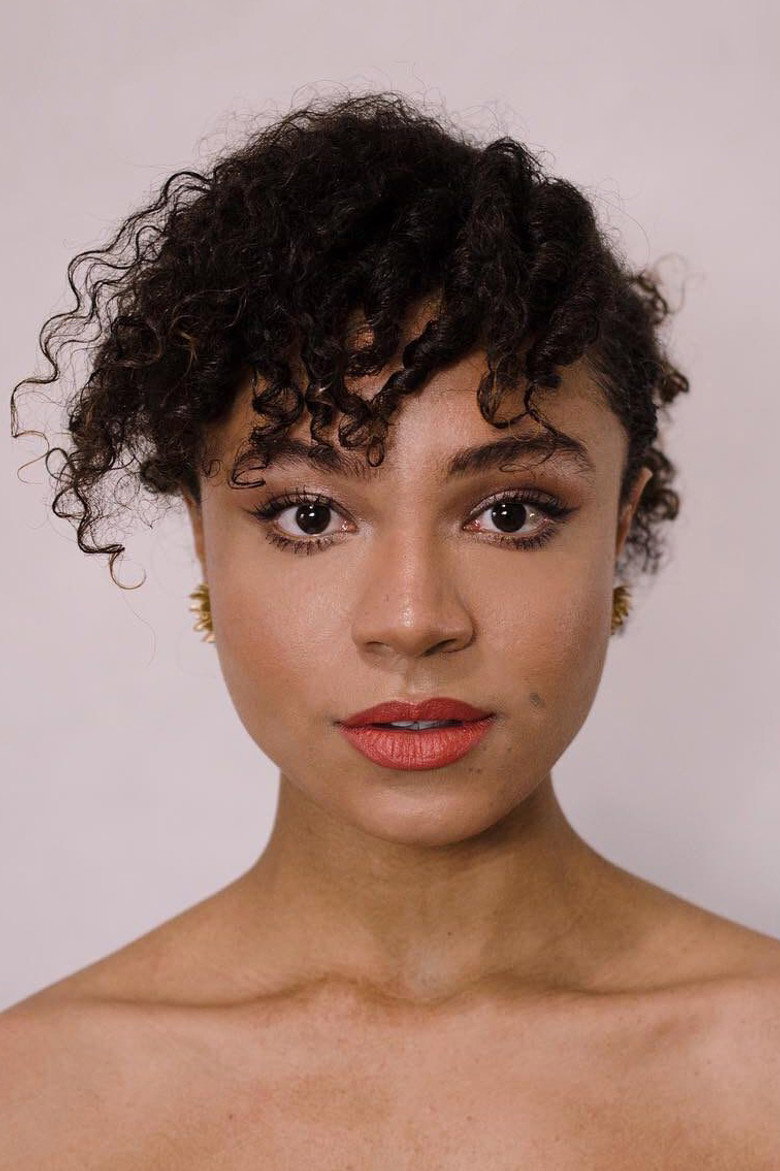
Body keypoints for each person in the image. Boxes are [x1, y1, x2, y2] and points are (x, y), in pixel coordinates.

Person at [4, 91, 779, 1168]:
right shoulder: (32, 1103)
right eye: (309, 515)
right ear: (201, 537)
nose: (412, 621)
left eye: (510, 512)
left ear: (618, 525)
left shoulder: (760, 1069)